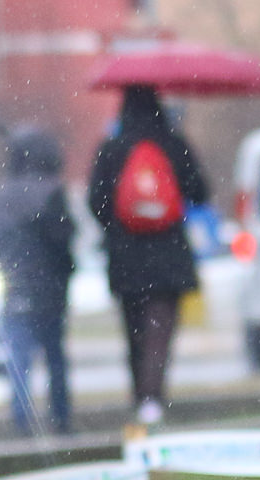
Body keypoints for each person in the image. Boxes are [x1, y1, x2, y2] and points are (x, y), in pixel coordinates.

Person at [87, 84, 209, 428]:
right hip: (168, 254)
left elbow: (96, 202)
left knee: (134, 331)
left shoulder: (112, 148)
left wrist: (119, 227)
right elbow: (200, 192)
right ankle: (153, 400)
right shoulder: (173, 143)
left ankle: (140, 398)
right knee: (160, 331)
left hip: (126, 257)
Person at [0, 126, 75, 438]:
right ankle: (60, 416)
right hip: (51, 289)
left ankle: (22, 419)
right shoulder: (53, 192)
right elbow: (64, 239)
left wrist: (8, 265)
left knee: (18, 356)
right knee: (55, 355)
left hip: (15, 286)